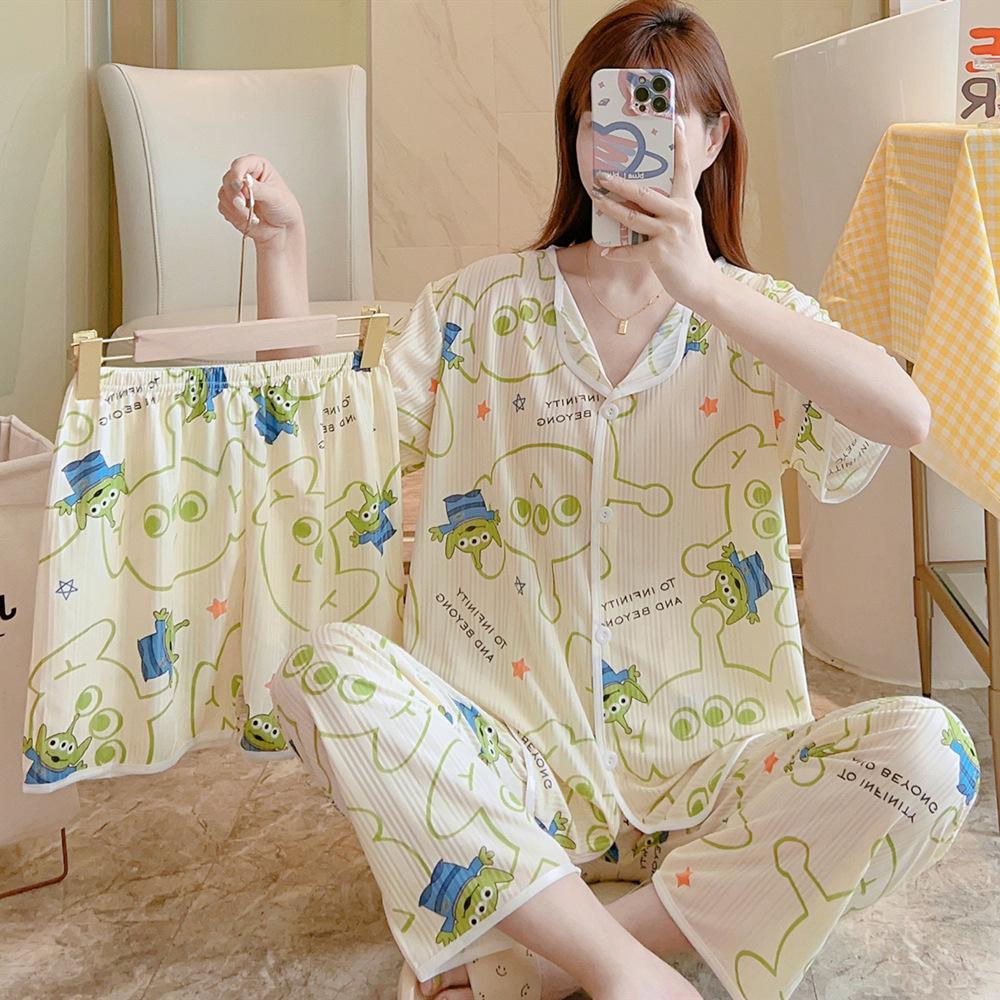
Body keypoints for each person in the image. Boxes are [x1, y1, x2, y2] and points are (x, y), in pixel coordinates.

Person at [217, 3, 977, 999]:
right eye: (595, 115)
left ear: (714, 137)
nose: (618, 138)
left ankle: (558, 948)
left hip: (715, 774)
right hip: (513, 771)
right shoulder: (476, 308)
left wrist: (708, 290)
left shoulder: (757, 319)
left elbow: (903, 417)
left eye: (660, 113)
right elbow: (317, 449)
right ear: (573, 136)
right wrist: (283, 251)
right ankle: (631, 962)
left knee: (932, 755)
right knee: (321, 669)